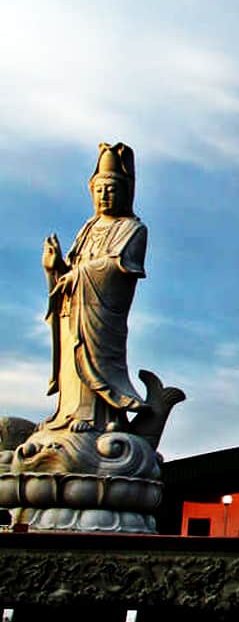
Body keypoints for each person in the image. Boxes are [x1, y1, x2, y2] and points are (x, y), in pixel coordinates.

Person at [41, 142, 148, 433]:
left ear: (125, 192)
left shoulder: (133, 229)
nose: (104, 195)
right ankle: (68, 412)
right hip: (73, 309)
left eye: (111, 189)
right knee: (71, 358)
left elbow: (118, 267)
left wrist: (79, 275)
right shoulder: (87, 228)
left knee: (92, 359)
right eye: (99, 189)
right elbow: (74, 269)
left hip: (100, 315)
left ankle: (94, 417)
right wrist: (57, 268)